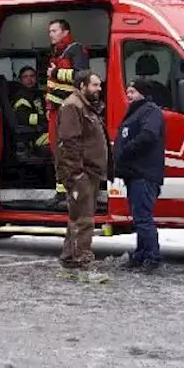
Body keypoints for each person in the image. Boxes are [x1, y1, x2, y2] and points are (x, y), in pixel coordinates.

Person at [56, 70, 108, 269]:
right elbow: (70, 143)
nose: (99, 89)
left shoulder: (85, 106)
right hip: (81, 173)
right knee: (84, 219)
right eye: (95, 85)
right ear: (82, 86)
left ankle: (71, 256)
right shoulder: (73, 106)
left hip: (89, 172)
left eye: (99, 85)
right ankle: (80, 259)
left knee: (79, 217)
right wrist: (77, 173)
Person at [116, 81, 166, 271]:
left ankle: (153, 257)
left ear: (143, 93)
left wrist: (126, 150)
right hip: (134, 174)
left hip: (144, 174)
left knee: (143, 218)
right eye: (127, 91)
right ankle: (141, 254)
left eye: (133, 91)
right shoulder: (137, 111)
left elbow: (148, 135)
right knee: (139, 218)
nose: (128, 95)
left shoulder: (150, 111)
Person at [46, 20, 90, 198]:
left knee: (69, 151)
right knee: (57, 151)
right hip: (56, 111)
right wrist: (49, 107)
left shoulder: (76, 49)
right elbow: (52, 86)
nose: (51, 34)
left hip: (69, 112)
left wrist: (56, 73)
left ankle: (72, 192)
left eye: (54, 30)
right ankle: (61, 193)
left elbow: (82, 76)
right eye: (50, 31)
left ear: (65, 32)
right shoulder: (57, 52)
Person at [11, 66, 49, 150]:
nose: (29, 79)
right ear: (20, 80)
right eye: (25, 77)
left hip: (46, 129)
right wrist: (45, 119)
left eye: (32, 76)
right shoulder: (21, 97)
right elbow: (24, 119)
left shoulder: (38, 93)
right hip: (35, 135)